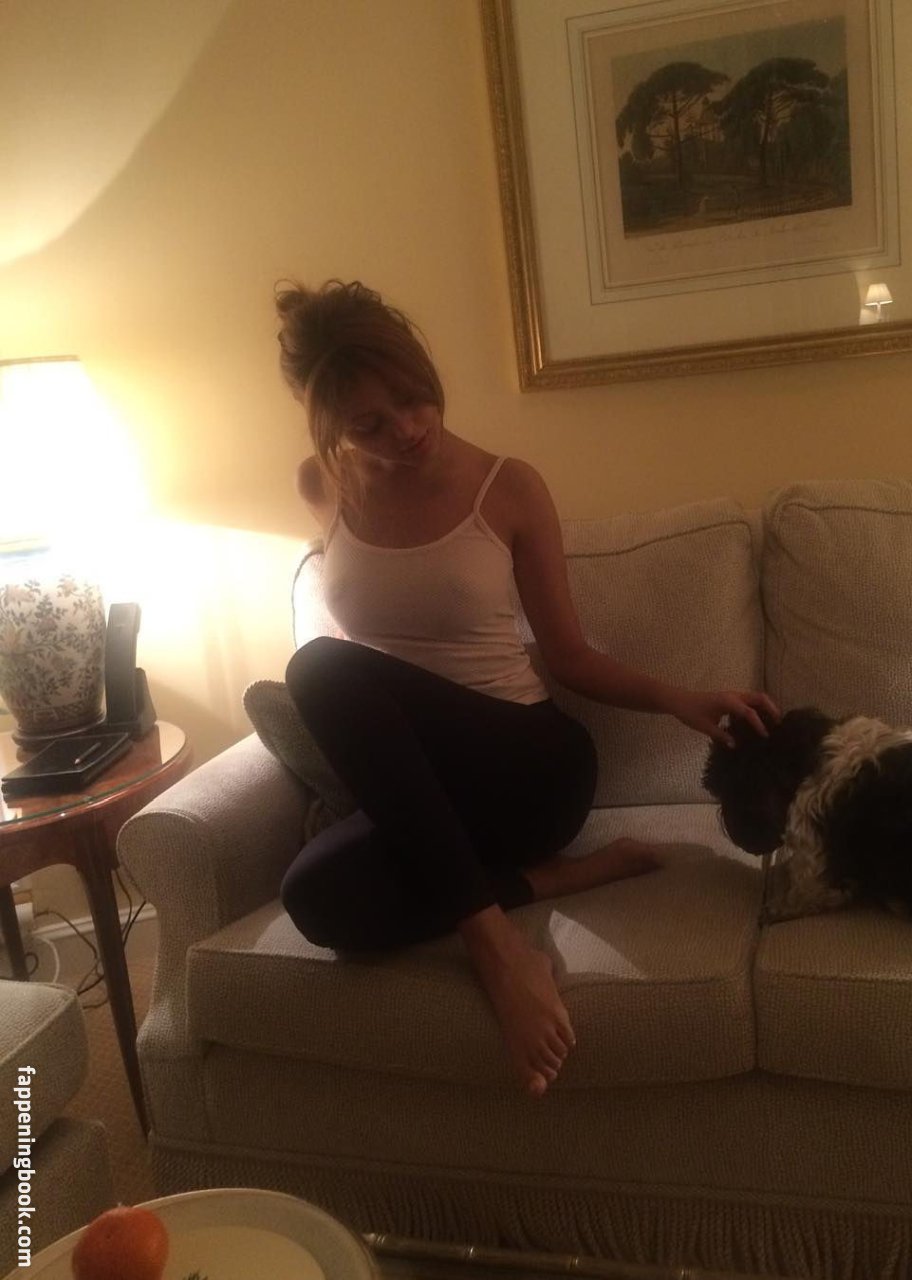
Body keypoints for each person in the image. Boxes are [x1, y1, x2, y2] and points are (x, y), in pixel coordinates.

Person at [275, 279, 778, 1098]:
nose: (406, 429)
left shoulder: (506, 487)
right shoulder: (318, 486)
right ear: (325, 423)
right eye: (368, 425)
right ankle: (553, 881)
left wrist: (680, 698)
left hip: (526, 771)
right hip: (430, 797)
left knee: (317, 668)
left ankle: (497, 949)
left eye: (413, 398)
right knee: (314, 898)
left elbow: (568, 656)